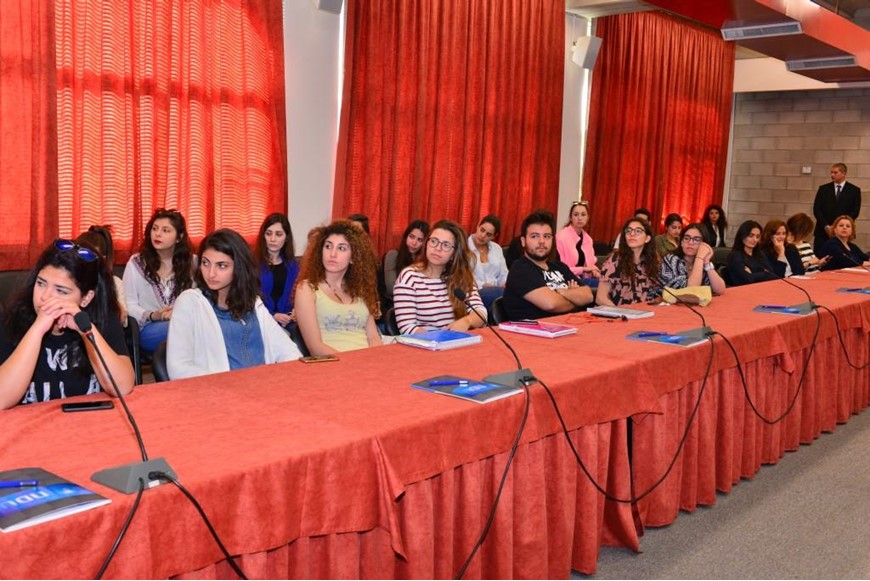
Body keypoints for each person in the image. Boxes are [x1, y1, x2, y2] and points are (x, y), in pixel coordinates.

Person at [0, 239, 134, 409]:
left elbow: (122, 387)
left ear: (86, 298)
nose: (45, 297)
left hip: (90, 422)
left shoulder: (102, 318)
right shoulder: (10, 320)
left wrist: (86, 331)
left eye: (61, 291)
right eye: (41, 284)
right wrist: (37, 330)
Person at [167, 229, 301, 379]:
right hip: (218, 389)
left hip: (264, 385)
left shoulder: (253, 303)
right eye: (205, 263)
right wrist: (228, 384)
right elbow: (178, 368)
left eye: (221, 265)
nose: (211, 273)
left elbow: (288, 351)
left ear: (239, 267)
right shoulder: (190, 302)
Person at [294, 220, 382, 354]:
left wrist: (377, 360)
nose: (332, 254)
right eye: (328, 246)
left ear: (353, 258)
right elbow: (315, 347)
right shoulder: (307, 289)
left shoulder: (360, 289)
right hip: (334, 363)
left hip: (368, 361)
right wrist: (352, 363)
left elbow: (373, 337)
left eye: (341, 248)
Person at [393, 219, 486, 334]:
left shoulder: (460, 276)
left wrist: (467, 321)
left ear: (454, 254)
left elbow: (481, 313)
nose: (437, 248)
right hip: (425, 342)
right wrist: (436, 340)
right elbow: (407, 327)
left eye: (446, 245)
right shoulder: (409, 277)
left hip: (456, 340)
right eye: (434, 241)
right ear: (426, 244)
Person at [123, 208, 195, 352]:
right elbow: (128, 304)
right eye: (154, 228)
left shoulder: (193, 263)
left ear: (179, 237)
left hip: (185, 322)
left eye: (165, 230)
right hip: (149, 328)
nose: (157, 234)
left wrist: (180, 312)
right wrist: (153, 315)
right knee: (187, 329)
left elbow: (199, 299)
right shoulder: (136, 263)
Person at [503, 210, 593, 320]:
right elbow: (551, 304)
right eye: (534, 236)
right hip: (534, 329)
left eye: (546, 236)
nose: (541, 241)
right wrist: (575, 298)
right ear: (523, 241)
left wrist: (561, 292)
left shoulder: (559, 267)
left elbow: (588, 296)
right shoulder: (521, 269)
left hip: (568, 325)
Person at [597, 217, 662, 306]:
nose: (632, 234)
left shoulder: (652, 262)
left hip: (645, 312)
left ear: (647, 238)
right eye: (628, 231)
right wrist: (619, 312)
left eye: (638, 231)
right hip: (619, 312)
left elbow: (658, 294)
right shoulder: (615, 260)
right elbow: (600, 298)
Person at [255, 213, 299, 331]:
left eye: (278, 234)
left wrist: (296, 311)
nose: (273, 239)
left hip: (289, 321)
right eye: (268, 233)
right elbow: (249, 299)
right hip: (262, 321)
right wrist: (273, 315)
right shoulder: (253, 264)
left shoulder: (294, 266)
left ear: (286, 237)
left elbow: (298, 294)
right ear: (263, 236)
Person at [75, 225, 127, 324]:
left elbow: (122, 319)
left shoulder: (115, 283)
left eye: (90, 256)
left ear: (103, 259)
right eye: (81, 255)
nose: (84, 261)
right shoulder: (68, 280)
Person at [659, 223, 726, 295]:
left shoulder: (702, 262)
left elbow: (720, 290)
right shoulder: (671, 260)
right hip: (662, 301)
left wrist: (707, 263)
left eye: (696, 239)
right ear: (681, 243)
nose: (690, 242)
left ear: (704, 244)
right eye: (686, 238)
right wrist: (699, 258)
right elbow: (690, 291)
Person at [812, 163, 861, 255]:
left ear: (843, 173)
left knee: (841, 257)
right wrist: (826, 226)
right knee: (820, 257)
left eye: (835, 172)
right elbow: (817, 209)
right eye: (831, 172)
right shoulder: (823, 189)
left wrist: (840, 226)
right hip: (823, 231)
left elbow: (855, 211)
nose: (832, 175)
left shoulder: (854, 190)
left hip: (843, 234)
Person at [382, 220, 430, 308]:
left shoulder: (427, 261)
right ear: (406, 236)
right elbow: (391, 288)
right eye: (411, 237)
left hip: (421, 306)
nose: (414, 243)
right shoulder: (393, 255)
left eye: (420, 240)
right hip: (395, 306)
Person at [467, 214, 509, 310]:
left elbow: (504, 274)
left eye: (488, 234)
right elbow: (461, 276)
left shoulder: (497, 248)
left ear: (494, 236)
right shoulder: (464, 247)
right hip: (474, 292)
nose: (483, 236)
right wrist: (482, 285)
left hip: (497, 291)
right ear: (478, 226)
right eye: (482, 230)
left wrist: (504, 282)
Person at [555, 200, 600, 281]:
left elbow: (590, 265)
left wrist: (595, 271)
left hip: (584, 279)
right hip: (566, 279)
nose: (580, 218)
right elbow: (561, 268)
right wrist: (583, 269)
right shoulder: (561, 237)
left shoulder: (588, 239)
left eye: (583, 215)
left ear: (588, 218)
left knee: (605, 283)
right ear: (570, 218)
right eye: (576, 215)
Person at [726, 220, 778, 286]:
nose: (755, 240)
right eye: (751, 236)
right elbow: (747, 280)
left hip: (762, 287)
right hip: (742, 290)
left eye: (757, 236)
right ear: (742, 236)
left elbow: (773, 275)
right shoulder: (735, 256)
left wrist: (752, 274)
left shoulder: (760, 254)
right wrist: (764, 273)